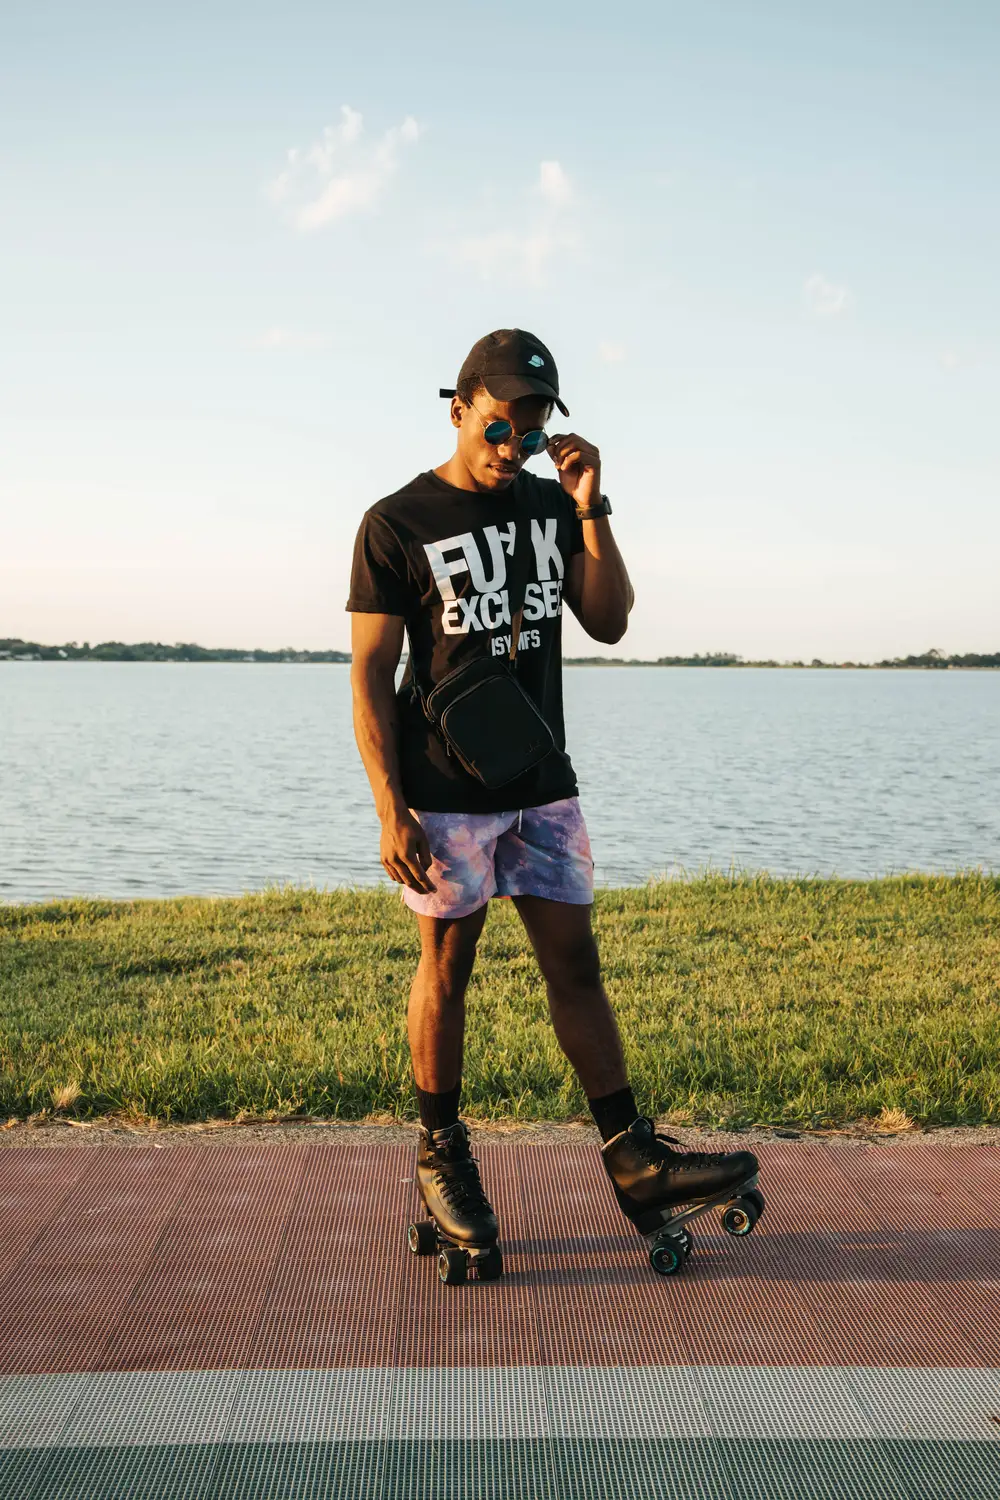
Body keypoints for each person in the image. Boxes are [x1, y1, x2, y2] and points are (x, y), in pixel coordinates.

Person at [347, 328, 757, 1275]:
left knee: (577, 970)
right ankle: (441, 1153)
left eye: (531, 435)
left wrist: (591, 508)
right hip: (445, 794)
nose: (513, 449)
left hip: (543, 785)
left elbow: (609, 622)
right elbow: (370, 675)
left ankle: (633, 1157)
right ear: (458, 409)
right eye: (499, 428)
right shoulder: (395, 522)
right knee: (447, 968)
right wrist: (388, 806)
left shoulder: (549, 505)